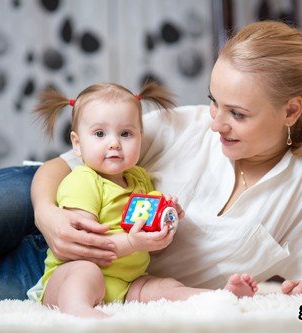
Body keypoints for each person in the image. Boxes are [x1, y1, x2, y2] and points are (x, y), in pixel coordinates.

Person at [0, 20, 302, 306]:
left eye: (237, 114)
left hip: (76, 280)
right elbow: (59, 167)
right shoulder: (189, 126)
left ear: (291, 110)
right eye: (213, 102)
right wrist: (47, 214)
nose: (215, 123)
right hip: (31, 205)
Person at [28, 82, 258, 318]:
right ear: (77, 143)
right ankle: (78, 310)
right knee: (86, 273)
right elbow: (85, 248)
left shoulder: (139, 179)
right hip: (71, 275)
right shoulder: (82, 181)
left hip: (128, 283)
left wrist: (163, 226)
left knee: (165, 286)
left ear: (140, 136)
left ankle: (216, 297)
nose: (114, 143)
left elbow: (148, 246)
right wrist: (133, 243)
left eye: (125, 134)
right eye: (100, 134)